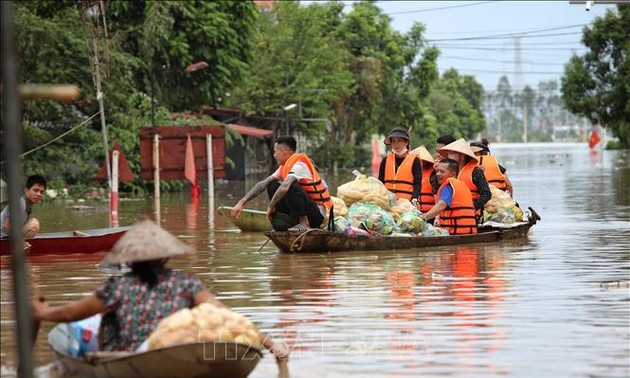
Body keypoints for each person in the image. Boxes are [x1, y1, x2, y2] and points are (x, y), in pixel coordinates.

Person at [31, 219, 289, 359]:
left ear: (129, 259)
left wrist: (41, 311)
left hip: (129, 359)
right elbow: (227, 316)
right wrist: (270, 344)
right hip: (174, 355)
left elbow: (68, 314)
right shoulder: (186, 283)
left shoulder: (118, 286)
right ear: (166, 257)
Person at [231, 136, 332, 233]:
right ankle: (283, 221)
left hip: (316, 216)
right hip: (301, 211)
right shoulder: (284, 167)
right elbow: (263, 184)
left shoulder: (300, 165)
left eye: (275, 151)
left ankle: (304, 223)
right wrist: (242, 202)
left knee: (290, 184)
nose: (274, 155)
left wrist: (270, 206)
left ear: (284, 151)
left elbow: (285, 187)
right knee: (272, 185)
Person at [421, 159, 477, 235]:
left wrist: (423, 218)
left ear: (453, 174)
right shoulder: (463, 186)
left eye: (442, 172)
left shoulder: (448, 187)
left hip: (455, 232)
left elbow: (441, 205)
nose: (437, 174)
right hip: (469, 231)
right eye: (437, 171)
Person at [438, 138, 491, 217]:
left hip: (469, 215)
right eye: (449, 153)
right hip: (451, 214)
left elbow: (486, 193)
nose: (449, 155)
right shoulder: (448, 171)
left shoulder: (475, 171)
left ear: (462, 155)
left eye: (453, 153)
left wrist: (473, 207)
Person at [378, 128, 422, 205]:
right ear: (390, 143)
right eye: (393, 141)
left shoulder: (415, 160)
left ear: (406, 142)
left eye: (399, 141)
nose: (396, 144)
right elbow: (380, 182)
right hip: (387, 202)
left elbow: (417, 184)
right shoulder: (385, 160)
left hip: (406, 203)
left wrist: (414, 198)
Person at [0, 174, 47, 239]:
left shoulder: (28, 207)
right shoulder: (21, 203)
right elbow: (6, 225)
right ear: (26, 190)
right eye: (36, 190)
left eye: (41, 192)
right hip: (2, 237)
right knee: (34, 224)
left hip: (7, 236)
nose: (39, 194)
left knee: (33, 221)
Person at [409, 145, 436, 213]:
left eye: (421, 160)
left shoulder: (433, 174)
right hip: (413, 211)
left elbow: (437, 195)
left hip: (429, 212)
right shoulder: (410, 172)